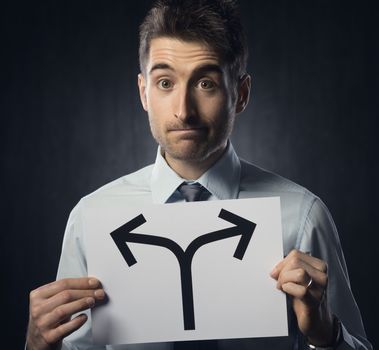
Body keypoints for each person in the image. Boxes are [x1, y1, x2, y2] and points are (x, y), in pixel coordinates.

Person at [26, 0, 372, 349]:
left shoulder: (302, 216)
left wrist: (326, 335)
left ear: (240, 94)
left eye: (205, 83)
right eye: (164, 83)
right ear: (143, 92)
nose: (183, 111)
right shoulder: (90, 218)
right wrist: (37, 346)